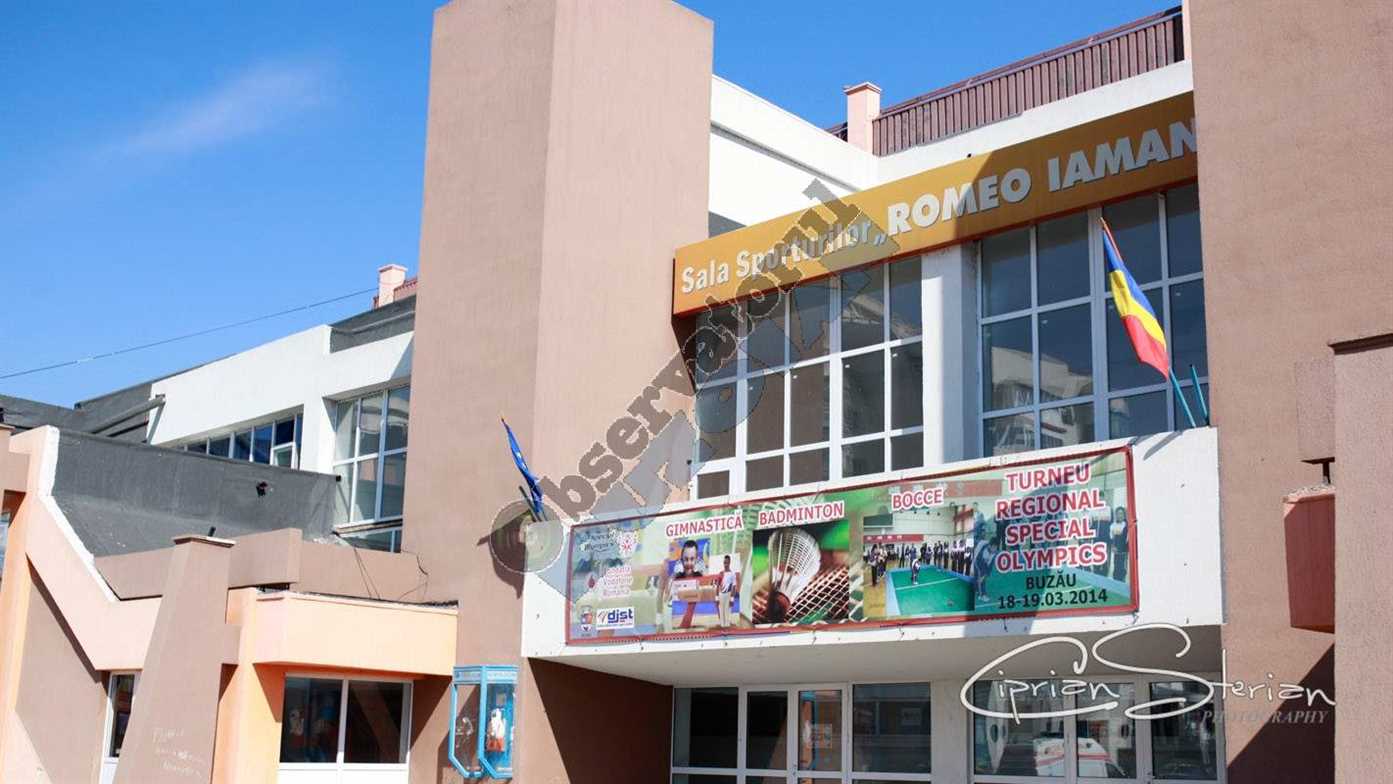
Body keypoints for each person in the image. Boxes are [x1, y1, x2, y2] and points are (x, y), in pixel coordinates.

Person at [717, 554, 737, 627]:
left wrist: (732, 599)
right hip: (721, 594)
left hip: (728, 594)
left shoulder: (732, 574)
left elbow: (734, 587)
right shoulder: (720, 573)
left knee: (727, 611)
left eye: (727, 562)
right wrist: (717, 598)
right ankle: (722, 626)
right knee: (721, 611)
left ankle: (727, 626)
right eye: (724, 562)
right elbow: (717, 586)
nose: (725, 564)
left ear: (729, 562)